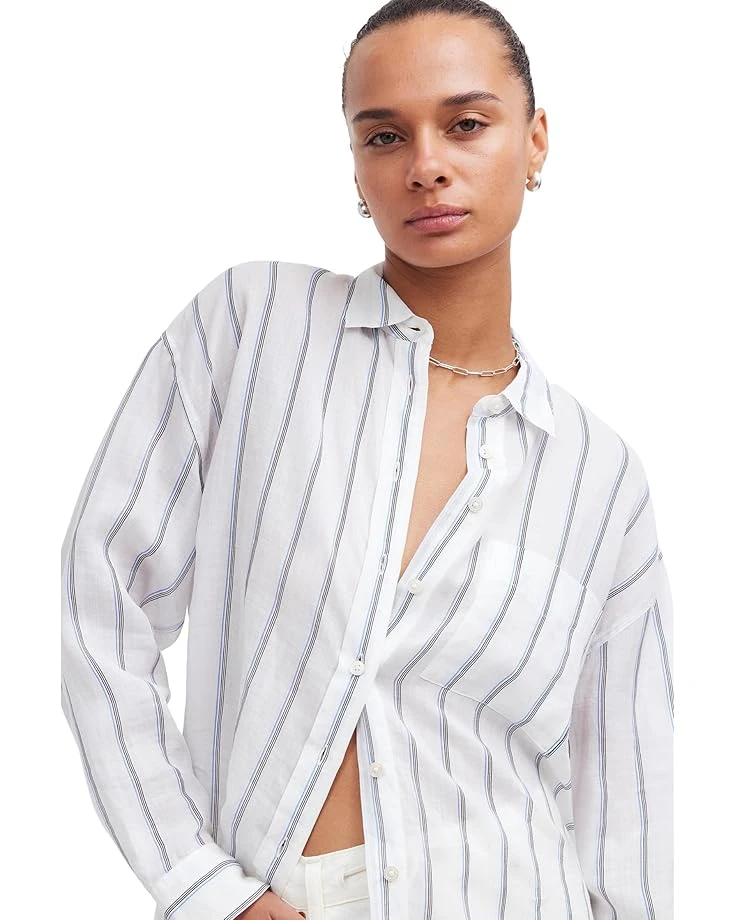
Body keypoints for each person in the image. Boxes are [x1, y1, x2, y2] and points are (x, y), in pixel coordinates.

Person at [60, 1, 674, 918]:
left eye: (466, 124)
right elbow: (103, 598)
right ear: (356, 165)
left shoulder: (602, 479)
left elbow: (627, 806)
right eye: (385, 135)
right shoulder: (251, 328)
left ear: (536, 140)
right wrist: (200, 884)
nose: (426, 165)